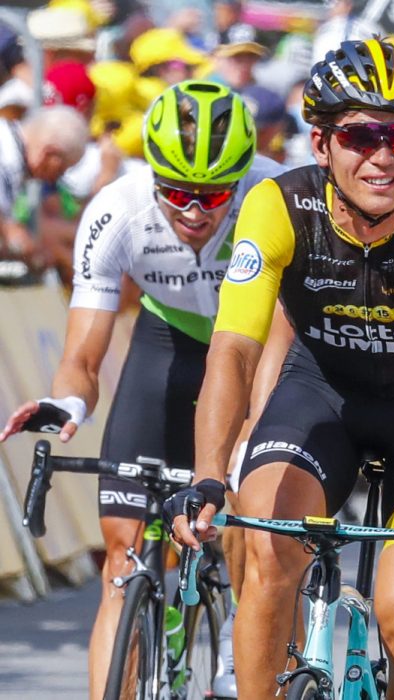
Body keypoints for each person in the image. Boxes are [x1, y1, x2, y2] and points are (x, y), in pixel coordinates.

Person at [165, 39, 394, 699]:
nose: (381, 156)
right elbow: (233, 348)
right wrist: (206, 474)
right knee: (269, 548)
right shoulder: (279, 206)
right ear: (320, 144)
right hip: (322, 400)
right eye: (360, 136)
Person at [0, 80, 283, 700]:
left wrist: (245, 436)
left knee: (247, 503)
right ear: (152, 174)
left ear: (242, 174)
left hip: (265, 349)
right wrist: (67, 401)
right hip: (171, 344)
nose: (194, 211)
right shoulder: (116, 209)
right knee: (122, 556)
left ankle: (243, 624)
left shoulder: (279, 196)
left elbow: (291, 345)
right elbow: (82, 354)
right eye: (177, 191)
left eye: (213, 194)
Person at [0, 106, 89, 269]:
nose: (57, 178)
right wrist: (15, 237)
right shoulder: (8, 160)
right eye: (62, 169)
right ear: (50, 154)